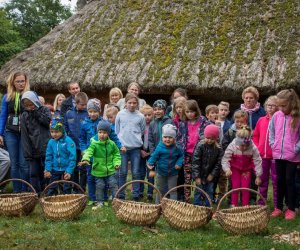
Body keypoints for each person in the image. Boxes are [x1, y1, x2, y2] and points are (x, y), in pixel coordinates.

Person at [79, 99, 123, 205]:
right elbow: (81, 138)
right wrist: (83, 150)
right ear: (87, 112)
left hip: (103, 155)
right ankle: (93, 197)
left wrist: (120, 146)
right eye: (90, 111)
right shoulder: (84, 123)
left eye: (95, 111)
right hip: (90, 155)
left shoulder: (104, 123)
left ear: (99, 111)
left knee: (104, 177)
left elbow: (113, 136)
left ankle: (104, 197)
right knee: (90, 177)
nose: (92, 114)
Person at [269, 89, 300, 220]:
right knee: (279, 180)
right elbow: (271, 131)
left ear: (292, 103)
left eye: (283, 105)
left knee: (290, 181)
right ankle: (278, 207)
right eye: (279, 106)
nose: (281, 108)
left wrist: (296, 149)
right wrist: (273, 144)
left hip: (292, 156)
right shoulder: (277, 116)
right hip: (278, 155)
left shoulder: (297, 117)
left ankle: (291, 208)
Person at [0, 71, 30, 192]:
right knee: (14, 162)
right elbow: (3, 115)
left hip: (25, 132)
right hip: (10, 132)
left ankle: (25, 191)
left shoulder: (30, 95)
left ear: (26, 82)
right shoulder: (7, 97)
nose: (20, 83)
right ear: (13, 82)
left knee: (23, 163)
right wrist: (0, 133)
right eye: (18, 81)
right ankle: (16, 191)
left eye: (22, 81)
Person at [115, 93, 146, 200]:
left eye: (134, 103)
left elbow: (142, 131)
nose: (132, 105)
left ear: (137, 104)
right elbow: (117, 130)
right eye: (130, 103)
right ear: (125, 103)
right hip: (123, 148)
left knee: (136, 172)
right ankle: (121, 194)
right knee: (122, 172)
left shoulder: (140, 116)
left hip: (135, 149)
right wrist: (120, 144)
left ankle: (136, 194)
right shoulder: (120, 114)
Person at [222, 126, 262, 207]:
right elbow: (226, 158)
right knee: (235, 186)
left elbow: (258, 160)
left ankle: (245, 205)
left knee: (245, 187)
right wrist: (227, 169)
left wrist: (258, 175)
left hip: (246, 169)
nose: (244, 148)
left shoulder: (253, 147)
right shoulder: (232, 145)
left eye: (246, 146)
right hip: (235, 169)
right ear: (238, 143)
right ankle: (234, 205)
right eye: (242, 146)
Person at [20, 91, 52, 194]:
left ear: (35, 102)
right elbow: (24, 135)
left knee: (46, 171)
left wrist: (36, 112)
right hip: (33, 149)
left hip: (46, 147)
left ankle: (46, 191)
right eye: (27, 106)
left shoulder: (44, 110)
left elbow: (46, 122)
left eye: (31, 104)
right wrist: (27, 152)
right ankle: (35, 193)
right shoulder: (24, 116)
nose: (29, 107)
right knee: (33, 173)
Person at [147, 124, 184, 203]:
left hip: (173, 173)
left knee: (173, 190)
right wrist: (150, 163)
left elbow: (181, 156)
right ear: (162, 137)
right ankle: (158, 205)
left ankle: (173, 206)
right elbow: (154, 156)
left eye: (170, 137)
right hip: (161, 172)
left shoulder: (177, 147)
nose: (167, 139)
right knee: (160, 190)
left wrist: (179, 163)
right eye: (165, 137)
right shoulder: (160, 147)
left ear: (174, 138)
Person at [252, 96, 278, 207]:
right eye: (268, 105)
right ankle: (262, 203)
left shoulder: (279, 120)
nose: (270, 107)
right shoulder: (261, 120)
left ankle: (278, 204)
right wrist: (257, 147)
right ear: (265, 107)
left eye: (273, 105)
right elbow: (255, 136)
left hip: (275, 156)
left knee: (276, 180)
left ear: (278, 107)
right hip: (262, 155)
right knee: (262, 180)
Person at [183, 100, 210, 202]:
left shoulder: (203, 122)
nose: (189, 114)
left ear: (196, 111)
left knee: (199, 177)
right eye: (187, 112)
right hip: (187, 155)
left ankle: (200, 199)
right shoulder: (184, 124)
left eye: (192, 111)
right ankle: (187, 200)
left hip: (199, 155)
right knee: (187, 178)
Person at [44, 118, 76, 195]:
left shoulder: (68, 141)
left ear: (62, 131)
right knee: (52, 187)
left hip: (66, 169)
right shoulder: (51, 142)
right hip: (55, 169)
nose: (54, 134)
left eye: (57, 132)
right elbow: (49, 156)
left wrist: (69, 171)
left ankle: (66, 201)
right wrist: (48, 169)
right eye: (52, 132)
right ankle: (51, 201)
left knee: (66, 188)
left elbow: (73, 157)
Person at [192, 125, 223, 206]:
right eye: (208, 138)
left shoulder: (218, 148)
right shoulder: (200, 145)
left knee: (209, 190)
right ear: (205, 136)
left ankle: (208, 206)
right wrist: (197, 176)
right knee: (199, 190)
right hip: (200, 174)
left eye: (212, 139)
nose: (209, 140)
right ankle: (197, 206)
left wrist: (212, 174)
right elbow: (195, 162)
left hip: (211, 175)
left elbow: (218, 163)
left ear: (216, 138)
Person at [64, 92, 88, 191]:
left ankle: (81, 189)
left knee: (83, 169)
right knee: (73, 167)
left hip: (83, 146)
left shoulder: (87, 114)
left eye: (85, 104)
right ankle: (74, 187)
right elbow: (65, 127)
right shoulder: (69, 113)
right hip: (72, 146)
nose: (84, 106)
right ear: (76, 103)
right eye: (82, 104)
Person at [139, 104, 154, 201]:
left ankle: (150, 192)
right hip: (140, 151)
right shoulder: (140, 126)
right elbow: (136, 138)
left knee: (150, 173)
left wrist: (149, 153)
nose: (147, 117)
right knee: (140, 173)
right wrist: (140, 150)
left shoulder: (154, 126)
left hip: (151, 153)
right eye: (145, 115)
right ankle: (140, 191)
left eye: (149, 115)